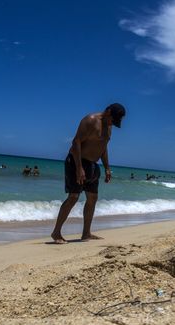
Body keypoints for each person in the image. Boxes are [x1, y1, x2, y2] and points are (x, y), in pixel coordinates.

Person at [51, 103, 126, 244]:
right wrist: (79, 168)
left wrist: (107, 168)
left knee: (92, 198)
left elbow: (103, 148)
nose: (112, 123)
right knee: (73, 197)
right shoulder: (90, 120)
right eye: (112, 119)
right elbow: (76, 142)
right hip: (76, 162)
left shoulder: (109, 126)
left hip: (93, 165)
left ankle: (86, 233)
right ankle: (56, 233)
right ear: (108, 111)